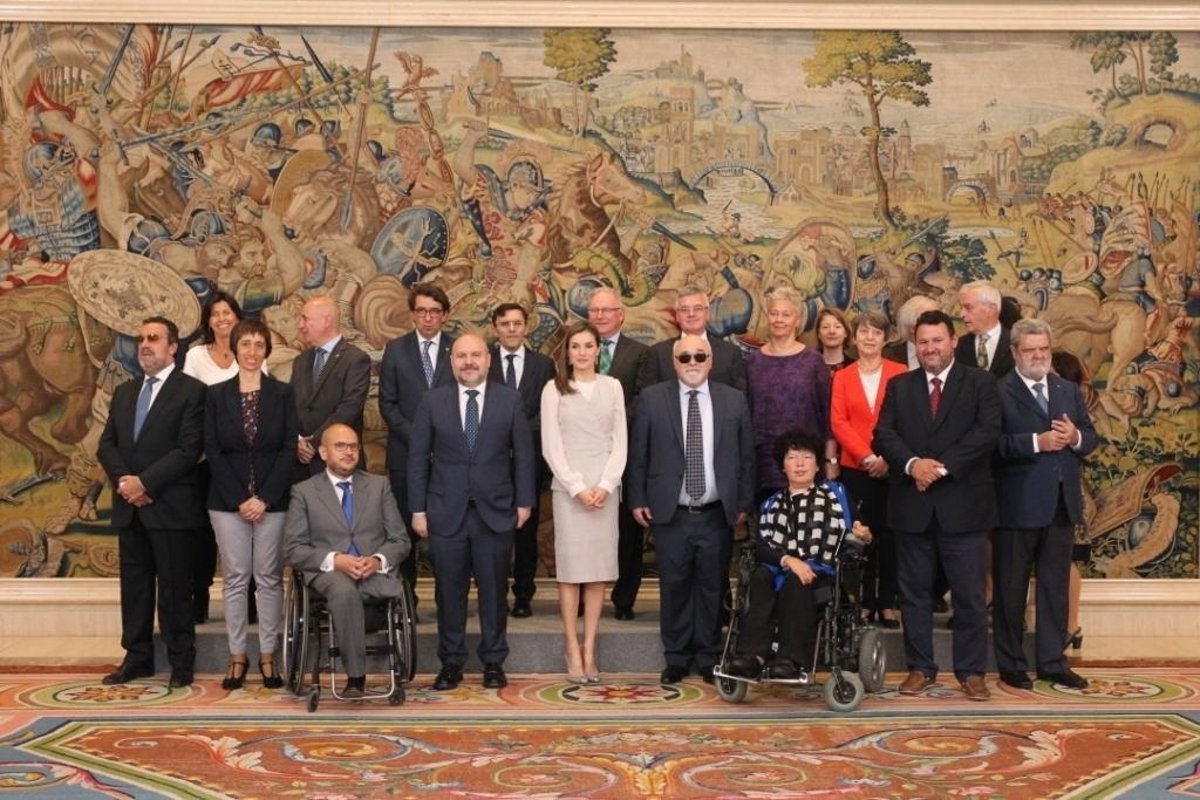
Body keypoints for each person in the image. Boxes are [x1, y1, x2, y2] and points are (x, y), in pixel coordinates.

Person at [872, 309, 1001, 701]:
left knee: (969, 596)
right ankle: (920, 669)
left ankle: (972, 673)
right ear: (916, 344)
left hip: (964, 508)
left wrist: (940, 468)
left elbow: (987, 433)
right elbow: (883, 435)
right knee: (914, 596)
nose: (930, 348)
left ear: (953, 342)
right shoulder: (900, 386)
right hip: (912, 508)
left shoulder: (980, 382)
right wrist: (914, 465)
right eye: (923, 342)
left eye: (937, 341)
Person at [408, 334, 535, 691]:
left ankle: (494, 662)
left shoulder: (510, 400)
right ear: (451, 362)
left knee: (494, 591)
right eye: (461, 356)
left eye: (475, 355)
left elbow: (524, 455)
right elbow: (417, 458)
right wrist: (418, 509)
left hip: (495, 512)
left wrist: (524, 502)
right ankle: (451, 664)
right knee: (449, 592)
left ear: (488, 359)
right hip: (445, 512)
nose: (468, 362)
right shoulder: (432, 401)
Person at [627, 334, 755, 684]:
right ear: (675, 363)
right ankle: (677, 657)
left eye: (700, 356)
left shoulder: (733, 400)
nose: (693, 362)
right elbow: (639, 454)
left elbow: (746, 455)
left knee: (712, 586)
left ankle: (709, 655)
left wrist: (744, 502)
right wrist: (637, 498)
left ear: (711, 361)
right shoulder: (653, 399)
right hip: (671, 513)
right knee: (675, 586)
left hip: (716, 512)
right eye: (685, 357)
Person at [97, 317, 207, 688]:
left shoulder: (192, 391)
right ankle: (137, 658)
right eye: (141, 338)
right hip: (130, 508)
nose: (145, 344)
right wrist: (126, 483)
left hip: (170, 507)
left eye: (154, 338)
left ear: (173, 347)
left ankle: (181, 662)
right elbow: (106, 445)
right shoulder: (125, 392)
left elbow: (189, 449)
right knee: (135, 588)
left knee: (175, 591)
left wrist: (145, 483)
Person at [993, 319, 1097, 690]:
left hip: (1061, 505)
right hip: (1016, 506)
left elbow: (1091, 437)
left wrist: (1076, 436)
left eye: (1043, 349)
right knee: (1011, 589)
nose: (1038, 356)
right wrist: (1037, 442)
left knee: (1054, 588)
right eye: (1030, 350)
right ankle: (1011, 664)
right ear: (1014, 352)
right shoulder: (998, 391)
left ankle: (1053, 662)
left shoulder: (1067, 389)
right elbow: (991, 446)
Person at [725, 430, 871, 680]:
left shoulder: (836, 495)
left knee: (797, 580)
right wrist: (789, 560)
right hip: (780, 567)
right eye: (792, 458)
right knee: (760, 577)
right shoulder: (771, 504)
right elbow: (763, 547)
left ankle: (789, 659)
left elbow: (859, 531)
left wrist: (863, 533)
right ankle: (752, 656)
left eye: (807, 457)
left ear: (818, 465)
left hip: (822, 570)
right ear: (783, 466)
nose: (800, 464)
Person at [204, 319, 298, 690]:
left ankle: (269, 656)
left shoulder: (283, 394)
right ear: (235, 349)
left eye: (259, 344)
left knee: (270, 578)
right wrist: (241, 499)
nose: (252, 351)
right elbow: (212, 450)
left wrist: (265, 498)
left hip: (273, 502)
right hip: (228, 504)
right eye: (245, 344)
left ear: (266, 351)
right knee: (236, 578)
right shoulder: (216, 395)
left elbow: (289, 449)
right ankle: (237, 656)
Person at [284, 424, 411, 698]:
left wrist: (377, 560)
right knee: (343, 591)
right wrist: (336, 560)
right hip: (328, 573)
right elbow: (293, 550)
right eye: (340, 446)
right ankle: (356, 676)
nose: (349, 452)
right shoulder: (304, 492)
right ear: (323, 452)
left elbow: (400, 540)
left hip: (372, 571)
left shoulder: (379, 486)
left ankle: (367, 614)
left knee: (377, 589)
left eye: (353, 446)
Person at [540, 322, 627, 681]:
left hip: (605, 489)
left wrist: (606, 485)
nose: (582, 352)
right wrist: (577, 487)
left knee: (597, 574)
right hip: (569, 492)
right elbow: (551, 446)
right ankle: (571, 646)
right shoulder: (554, 389)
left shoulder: (613, 386)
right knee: (572, 573)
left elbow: (620, 441)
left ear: (598, 350)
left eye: (588, 346)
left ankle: (590, 648)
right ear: (567, 352)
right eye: (575, 346)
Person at [830, 311, 907, 629]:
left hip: (893, 467)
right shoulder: (843, 376)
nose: (869, 337)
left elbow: (907, 419)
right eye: (863, 331)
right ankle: (862, 602)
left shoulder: (900, 372)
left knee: (891, 536)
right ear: (855, 337)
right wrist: (866, 457)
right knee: (861, 535)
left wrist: (887, 458)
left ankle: (887, 602)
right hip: (856, 467)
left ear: (885, 338)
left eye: (876, 332)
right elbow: (838, 422)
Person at [379, 283, 456, 599]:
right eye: (421, 311)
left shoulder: (458, 349)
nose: (428, 318)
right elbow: (388, 404)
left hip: (449, 459)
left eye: (434, 311)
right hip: (405, 456)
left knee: (447, 533)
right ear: (412, 314)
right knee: (404, 531)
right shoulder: (396, 350)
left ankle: (447, 599)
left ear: (445, 315)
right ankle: (406, 599)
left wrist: (442, 442)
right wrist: (421, 439)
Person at [183, 290, 249, 625]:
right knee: (202, 534)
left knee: (247, 530)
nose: (222, 319)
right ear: (208, 321)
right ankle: (199, 600)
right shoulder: (196, 356)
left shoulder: (250, 350)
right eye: (215, 314)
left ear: (237, 317)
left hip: (244, 460)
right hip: (205, 461)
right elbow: (188, 405)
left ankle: (249, 604)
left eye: (227, 312)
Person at [487, 303, 556, 619]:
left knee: (526, 531)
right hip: (492, 460)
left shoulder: (543, 365)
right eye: (505, 324)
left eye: (517, 323)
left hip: (530, 460)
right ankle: (496, 593)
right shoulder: (484, 361)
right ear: (495, 328)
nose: (512, 329)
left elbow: (549, 410)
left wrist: (518, 433)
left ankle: (524, 595)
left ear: (526, 326)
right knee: (494, 532)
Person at [588, 286, 649, 621]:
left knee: (627, 533)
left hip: (626, 455)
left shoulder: (640, 353)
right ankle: (584, 598)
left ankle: (624, 599)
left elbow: (642, 399)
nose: (600, 316)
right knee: (588, 529)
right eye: (594, 311)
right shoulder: (575, 349)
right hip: (585, 456)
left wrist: (608, 423)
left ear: (620, 314)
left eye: (606, 310)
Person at [745, 286, 835, 501]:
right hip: (764, 464)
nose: (779, 319)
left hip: (806, 462)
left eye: (786, 314)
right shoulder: (753, 362)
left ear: (798, 319)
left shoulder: (813, 361)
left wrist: (830, 460)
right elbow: (747, 413)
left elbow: (828, 414)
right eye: (774, 313)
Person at [290, 294, 371, 481]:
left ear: (326, 321)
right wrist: (298, 440)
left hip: (339, 465)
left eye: (305, 319)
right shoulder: (300, 361)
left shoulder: (355, 360)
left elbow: (349, 409)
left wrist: (314, 443)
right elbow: (290, 407)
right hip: (301, 469)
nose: (300, 326)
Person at [1051, 349, 1094, 650]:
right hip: (1045, 491)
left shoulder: (1072, 404)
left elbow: (1088, 441)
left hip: (1069, 492)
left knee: (1068, 559)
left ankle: (1071, 626)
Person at [635, 286, 747, 392]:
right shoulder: (657, 354)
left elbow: (739, 400)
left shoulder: (730, 353)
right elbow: (646, 399)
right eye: (684, 310)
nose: (691, 314)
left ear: (707, 313)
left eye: (697, 309)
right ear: (677, 316)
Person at [956, 280, 1014, 376]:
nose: (961, 314)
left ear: (990, 309)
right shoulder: (958, 346)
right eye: (961, 308)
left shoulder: (1017, 342)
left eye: (968, 308)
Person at [883, 294, 939, 369]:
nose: (939, 326)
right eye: (931, 322)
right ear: (913, 328)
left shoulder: (950, 353)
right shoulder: (888, 357)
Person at [815, 307, 855, 374]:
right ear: (818, 334)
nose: (832, 331)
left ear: (846, 333)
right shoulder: (808, 365)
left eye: (837, 327)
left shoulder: (855, 367)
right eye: (825, 327)